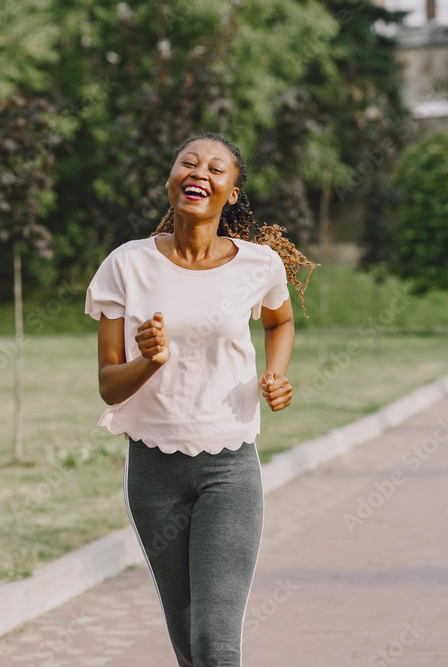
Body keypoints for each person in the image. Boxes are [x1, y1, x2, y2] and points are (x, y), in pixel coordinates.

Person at [85, 133, 315, 667]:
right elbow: (108, 385)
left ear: (232, 192)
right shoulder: (127, 264)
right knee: (190, 646)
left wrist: (275, 374)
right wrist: (148, 360)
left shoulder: (258, 266)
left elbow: (280, 320)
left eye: (216, 168)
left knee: (217, 643)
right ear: (170, 181)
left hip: (228, 468)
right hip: (153, 471)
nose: (199, 173)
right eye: (188, 163)